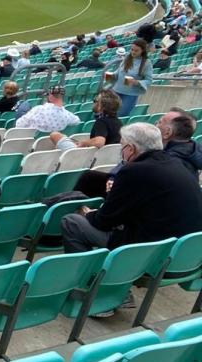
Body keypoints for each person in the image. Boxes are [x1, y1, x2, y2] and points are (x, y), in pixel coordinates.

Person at [61, 124, 202, 263]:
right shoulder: (177, 164)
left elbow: (103, 222)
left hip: (149, 252)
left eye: (122, 146)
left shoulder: (134, 170)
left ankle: (84, 277)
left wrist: (88, 213)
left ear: (130, 148)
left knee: (72, 222)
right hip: (184, 251)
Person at [50, 90, 122, 150]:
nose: (93, 103)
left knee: (55, 135)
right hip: (104, 157)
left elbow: (99, 142)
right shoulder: (118, 122)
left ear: (101, 106)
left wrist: (84, 143)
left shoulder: (101, 122)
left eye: (95, 101)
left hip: (91, 156)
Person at [104, 39, 152, 116]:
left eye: (136, 50)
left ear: (142, 51)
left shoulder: (147, 63)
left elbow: (149, 81)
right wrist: (110, 75)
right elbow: (118, 72)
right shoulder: (127, 58)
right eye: (132, 49)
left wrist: (136, 82)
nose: (133, 52)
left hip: (130, 94)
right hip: (116, 91)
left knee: (120, 115)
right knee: (108, 113)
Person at [157, 110, 202, 177]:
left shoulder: (165, 162)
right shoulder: (192, 151)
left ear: (167, 133)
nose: (155, 125)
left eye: (159, 122)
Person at [15, 86, 80, 132]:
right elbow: (77, 121)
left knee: (24, 105)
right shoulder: (67, 115)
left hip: (32, 142)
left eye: (48, 95)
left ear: (51, 96)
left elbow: (19, 124)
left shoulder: (38, 109)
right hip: (52, 144)